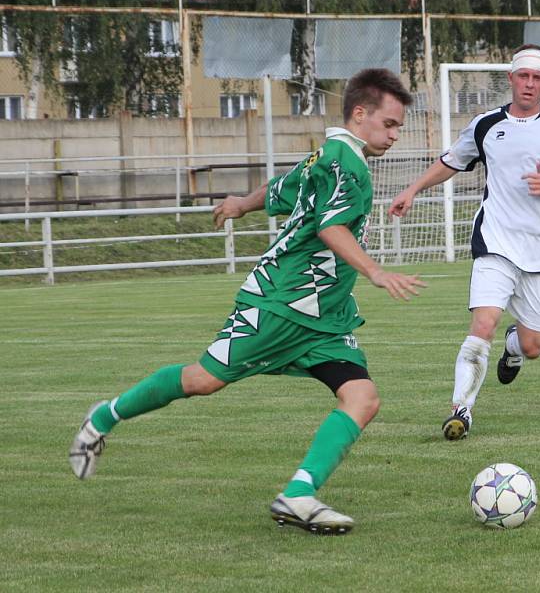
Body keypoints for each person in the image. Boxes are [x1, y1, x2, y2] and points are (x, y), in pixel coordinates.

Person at [69, 68, 425, 535]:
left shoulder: (330, 155)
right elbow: (329, 227)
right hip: (281, 304)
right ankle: (103, 415)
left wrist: (241, 204)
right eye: (391, 124)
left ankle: (297, 494)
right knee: (202, 380)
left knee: (362, 397)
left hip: (323, 315)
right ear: (360, 114)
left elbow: (283, 187)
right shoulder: (348, 164)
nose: (396, 135)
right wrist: (375, 271)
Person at [388, 44, 540, 440]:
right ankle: (461, 409)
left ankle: (514, 348)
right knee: (483, 322)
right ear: (512, 78)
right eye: (523, 76)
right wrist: (412, 190)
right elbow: (451, 161)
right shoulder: (486, 125)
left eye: (538, 78)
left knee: (533, 346)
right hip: (496, 241)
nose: (530, 84)